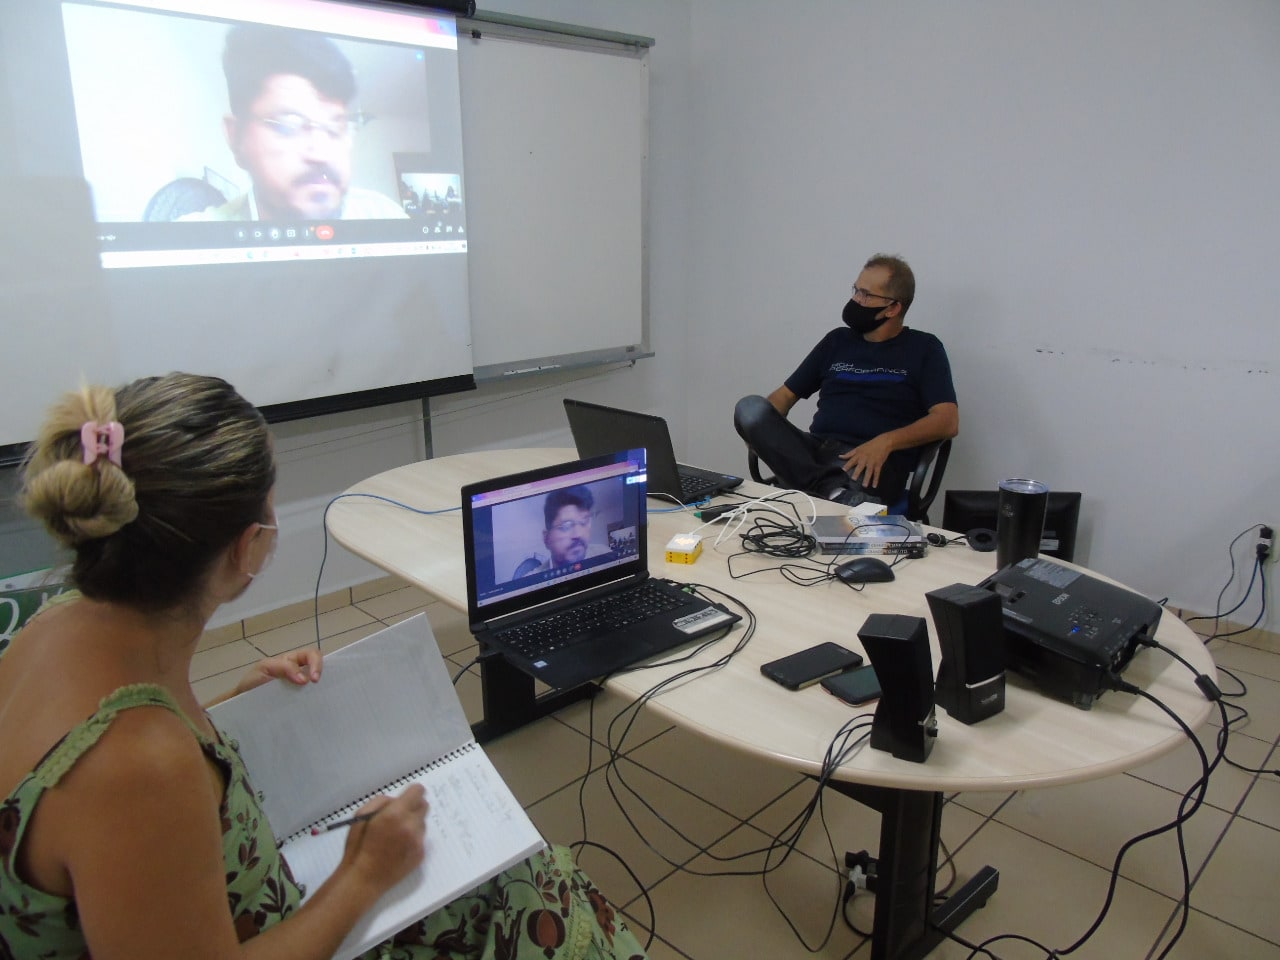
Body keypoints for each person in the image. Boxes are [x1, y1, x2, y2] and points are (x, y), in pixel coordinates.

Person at [0, 373, 647, 960]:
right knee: (530, 887)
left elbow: (128, 761)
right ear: (247, 550)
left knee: (520, 874)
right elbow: (137, 777)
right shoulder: (141, 765)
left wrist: (234, 706)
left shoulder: (59, 621)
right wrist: (363, 875)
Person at [733, 253, 958, 507]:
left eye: (866, 295)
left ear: (893, 308)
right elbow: (783, 397)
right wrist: (762, 434)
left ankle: (814, 487)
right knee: (749, 408)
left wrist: (886, 442)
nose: (856, 300)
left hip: (869, 462)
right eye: (856, 290)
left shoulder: (925, 348)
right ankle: (832, 491)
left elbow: (947, 421)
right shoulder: (837, 341)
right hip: (815, 451)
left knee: (843, 479)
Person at [180, 24, 408, 221]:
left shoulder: (383, 214)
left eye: (335, 126)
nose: (321, 154)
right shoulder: (192, 240)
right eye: (288, 125)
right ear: (237, 137)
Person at [511, 485, 613, 579]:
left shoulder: (604, 554)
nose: (578, 534)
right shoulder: (531, 580)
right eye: (566, 526)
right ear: (547, 538)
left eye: (583, 522)